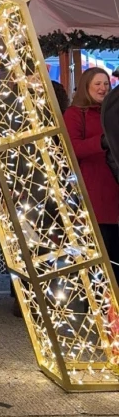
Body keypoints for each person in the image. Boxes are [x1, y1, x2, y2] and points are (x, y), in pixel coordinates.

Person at [65, 68, 119, 270]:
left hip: (114, 188)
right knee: (100, 259)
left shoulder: (113, 112)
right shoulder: (76, 114)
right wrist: (103, 142)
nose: (103, 88)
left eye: (106, 83)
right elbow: (72, 148)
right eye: (97, 84)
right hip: (94, 192)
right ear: (86, 86)